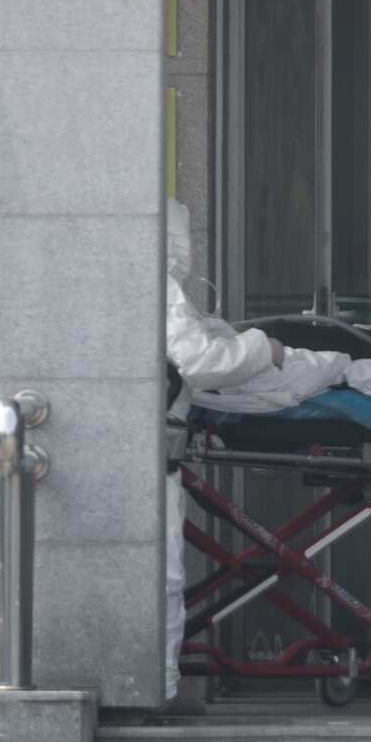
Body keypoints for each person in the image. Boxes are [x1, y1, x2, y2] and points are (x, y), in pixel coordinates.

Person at [164, 197, 283, 709]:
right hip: (151, 452)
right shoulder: (159, 288)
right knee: (162, 575)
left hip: (141, 442)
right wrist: (264, 348)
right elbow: (202, 362)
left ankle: (154, 688)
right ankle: (158, 691)